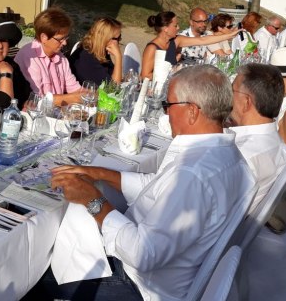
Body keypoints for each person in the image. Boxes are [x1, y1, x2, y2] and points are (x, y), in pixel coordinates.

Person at [35, 65, 254, 300]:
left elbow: (143, 255)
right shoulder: (230, 157)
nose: (166, 114)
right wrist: (100, 173)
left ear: (192, 111)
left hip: (141, 285)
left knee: (35, 272)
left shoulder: (193, 174)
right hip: (167, 269)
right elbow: (159, 188)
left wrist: (92, 200)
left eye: (168, 105)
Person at [228, 63, 286, 211]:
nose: (228, 96)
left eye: (232, 90)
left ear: (246, 102)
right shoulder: (275, 141)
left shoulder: (240, 156)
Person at [14, 8, 84, 106]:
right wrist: (72, 98)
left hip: (56, 112)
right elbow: (36, 99)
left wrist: (89, 94)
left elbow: (74, 88)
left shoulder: (61, 58)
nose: (65, 43)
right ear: (44, 37)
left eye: (66, 37)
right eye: (60, 39)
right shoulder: (29, 57)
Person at [140, 11, 238, 80]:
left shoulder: (176, 41)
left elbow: (203, 40)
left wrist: (229, 35)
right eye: (175, 25)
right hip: (155, 91)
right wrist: (171, 71)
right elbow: (144, 76)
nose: (178, 28)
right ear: (166, 29)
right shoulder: (152, 48)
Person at [68, 17, 124, 85]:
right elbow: (113, 87)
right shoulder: (87, 58)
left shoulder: (100, 51)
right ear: (105, 38)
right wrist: (118, 57)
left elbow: (113, 76)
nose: (120, 40)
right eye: (117, 38)